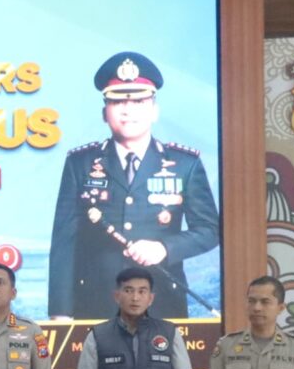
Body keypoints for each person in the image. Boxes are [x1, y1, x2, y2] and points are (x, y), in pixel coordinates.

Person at [49, 51, 219, 319]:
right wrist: (61, 313)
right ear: (105, 112)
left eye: (139, 101)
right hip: (96, 303)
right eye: (118, 101)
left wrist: (164, 248)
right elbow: (64, 243)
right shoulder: (80, 163)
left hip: (162, 301)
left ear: (154, 110)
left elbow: (209, 230)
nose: (128, 110)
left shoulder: (185, 164)